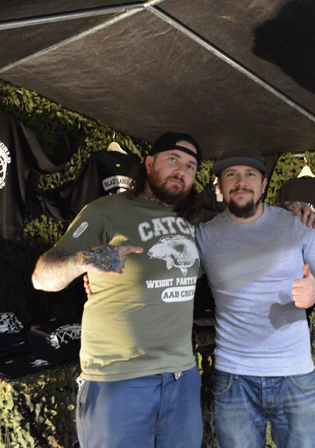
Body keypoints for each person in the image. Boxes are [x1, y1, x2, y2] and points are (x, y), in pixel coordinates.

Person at [32, 132, 205, 448]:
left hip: (182, 379)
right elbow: (42, 277)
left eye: (191, 166)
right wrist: (86, 259)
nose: (182, 171)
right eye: (173, 160)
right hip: (118, 381)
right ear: (149, 164)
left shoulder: (193, 221)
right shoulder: (105, 211)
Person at [196, 147, 315, 448]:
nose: (241, 182)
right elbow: (169, 278)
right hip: (234, 379)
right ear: (220, 185)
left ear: (264, 184)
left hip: (295, 376)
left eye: (250, 174)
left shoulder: (297, 224)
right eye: (231, 175)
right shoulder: (204, 235)